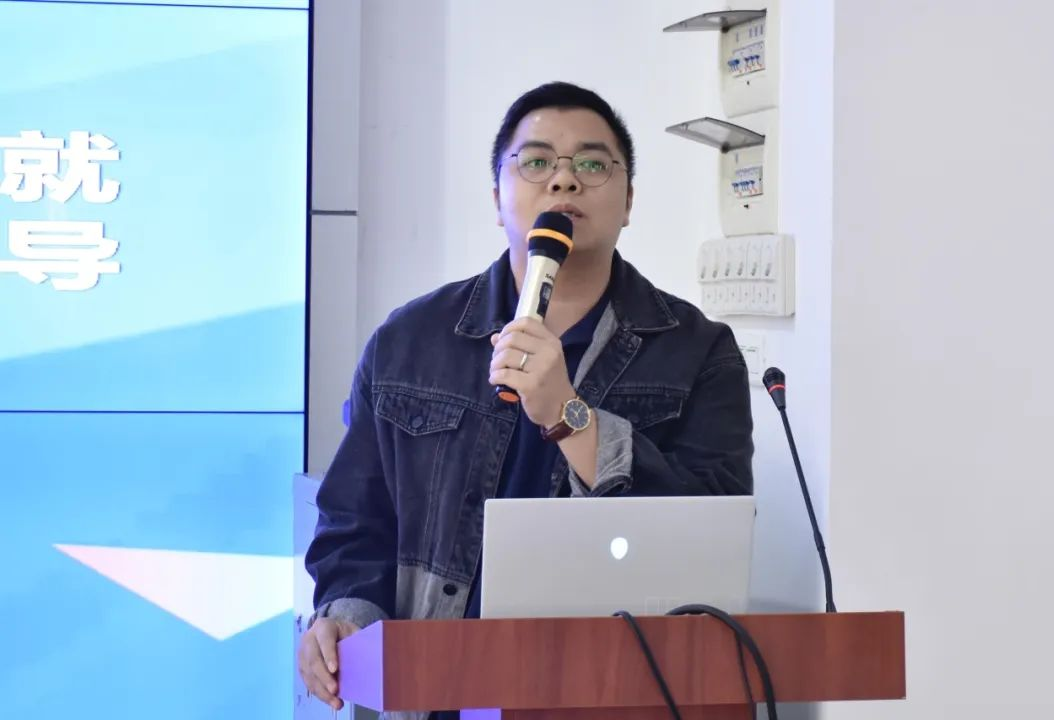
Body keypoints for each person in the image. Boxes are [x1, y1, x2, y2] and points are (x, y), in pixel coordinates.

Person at [298, 81, 754, 714]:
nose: (564, 180)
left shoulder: (698, 351)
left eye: (592, 164)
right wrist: (345, 616)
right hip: (438, 692)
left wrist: (571, 417)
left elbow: (713, 541)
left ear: (628, 201)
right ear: (497, 197)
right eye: (536, 162)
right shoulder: (409, 342)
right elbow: (354, 521)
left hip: (615, 694)